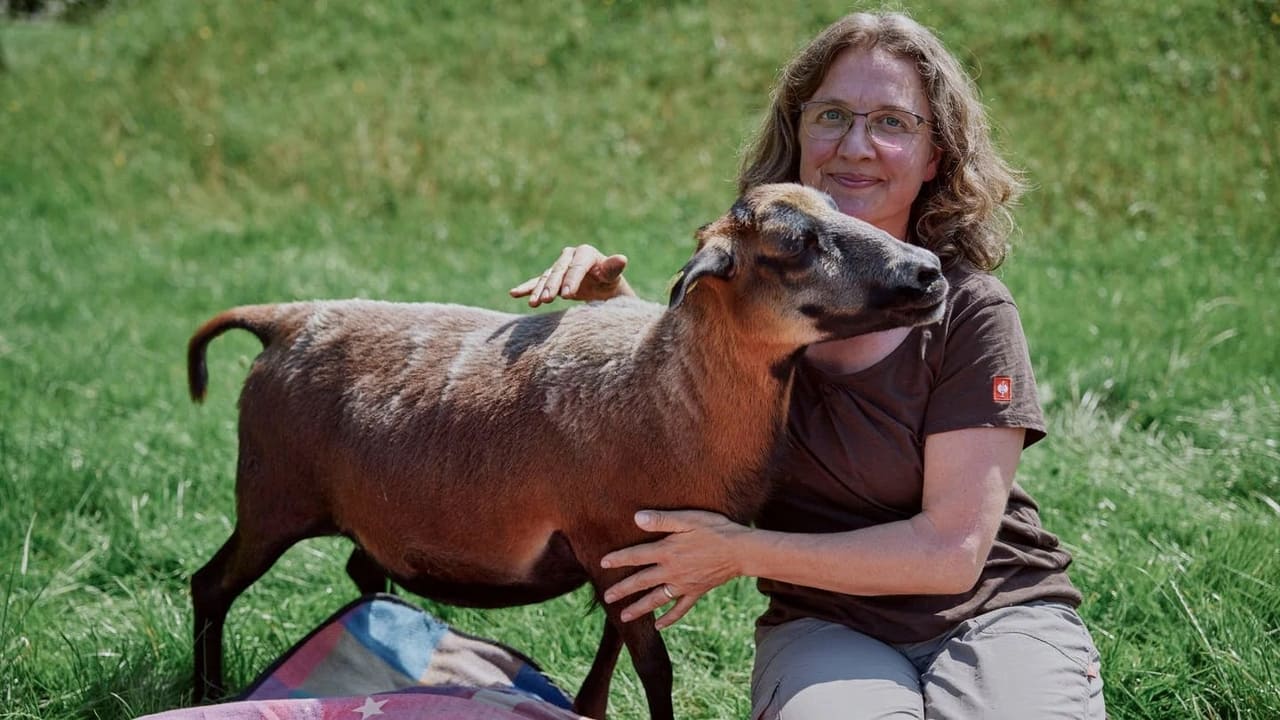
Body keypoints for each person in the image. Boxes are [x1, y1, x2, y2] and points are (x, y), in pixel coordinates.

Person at [510, 10, 1105, 720]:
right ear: (797, 137)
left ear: (935, 156)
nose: (856, 145)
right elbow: (688, 390)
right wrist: (612, 305)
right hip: (827, 625)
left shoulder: (970, 309)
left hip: (993, 612)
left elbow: (953, 550)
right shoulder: (749, 288)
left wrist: (737, 551)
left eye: (892, 122)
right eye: (832, 116)